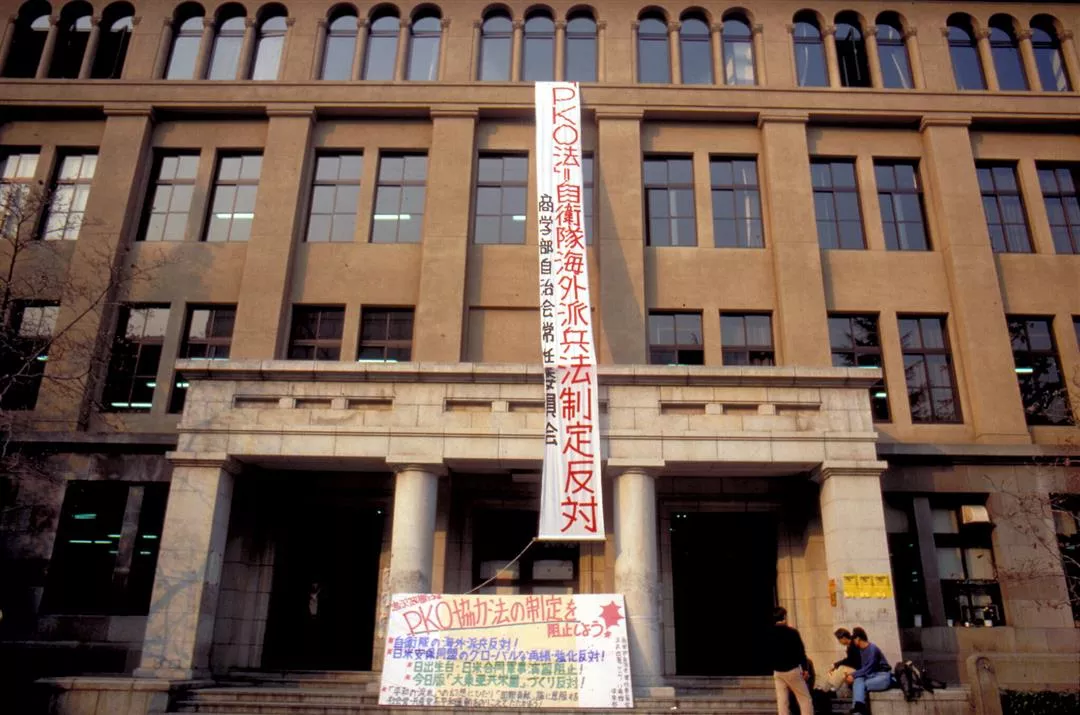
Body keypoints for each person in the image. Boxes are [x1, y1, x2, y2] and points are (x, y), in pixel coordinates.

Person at [768, 606, 813, 715]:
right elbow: (801, 652)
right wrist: (805, 669)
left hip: (778, 671)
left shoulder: (769, 633)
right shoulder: (792, 632)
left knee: (782, 701)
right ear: (784, 617)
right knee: (804, 699)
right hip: (792, 670)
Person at [844, 627, 893, 714]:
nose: (853, 642)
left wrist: (853, 675)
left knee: (859, 686)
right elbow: (863, 669)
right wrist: (851, 676)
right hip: (871, 676)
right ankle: (858, 710)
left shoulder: (872, 649)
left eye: (854, 639)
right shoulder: (861, 650)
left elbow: (868, 668)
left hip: (883, 677)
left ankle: (858, 710)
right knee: (858, 681)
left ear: (858, 638)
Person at [818, 628, 860, 693]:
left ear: (844, 638)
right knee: (835, 670)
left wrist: (836, 665)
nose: (839, 642)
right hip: (854, 667)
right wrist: (835, 666)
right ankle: (824, 688)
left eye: (839, 640)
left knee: (841, 669)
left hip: (858, 669)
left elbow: (850, 660)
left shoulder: (854, 645)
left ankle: (832, 689)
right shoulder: (850, 645)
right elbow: (849, 660)